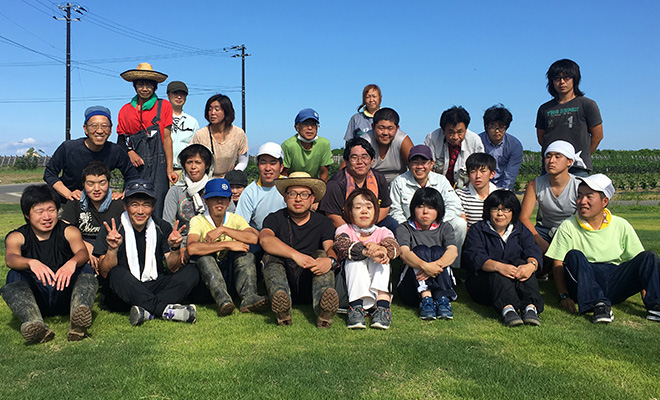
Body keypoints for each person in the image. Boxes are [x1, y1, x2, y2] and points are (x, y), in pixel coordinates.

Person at [545, 174, 660, 323]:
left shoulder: (621, 224)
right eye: (579, 196)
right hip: (585, 279)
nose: (582, 201)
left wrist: (646, 289)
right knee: (574, 256)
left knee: (649, 257)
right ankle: (599, 305)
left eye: (588, 197)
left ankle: (656, 306)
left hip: (615, 278)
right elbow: (558, 263)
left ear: (604, 201)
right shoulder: (568, 225)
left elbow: (640, 263)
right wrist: (563, 296)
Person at [95, 179, 199, 326]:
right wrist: (112, 249)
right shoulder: (112, 228)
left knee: (192, 271)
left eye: (146, 205)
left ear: (153, 207)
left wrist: (175, 248)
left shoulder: (162, 226)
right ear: (125, 206)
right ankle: (163, 309)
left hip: (153, 284)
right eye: (135, 204)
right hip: (123, 291)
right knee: (116, 272)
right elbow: (105, 273)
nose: (140, 211)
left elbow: (173, 267)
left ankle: (147, 311)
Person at [0, 184, 97, 343]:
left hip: (66, 295)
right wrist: (31, 262)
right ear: (27, 215)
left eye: (51, 210)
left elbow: (82, 253)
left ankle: (77, 321)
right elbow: (11, 258)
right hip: (37, 299)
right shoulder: (17, 236)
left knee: (84, 267)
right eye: (39, 212)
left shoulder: (68, 231)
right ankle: (34, 323)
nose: (47, 217)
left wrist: (72, 262)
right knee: (14, 274)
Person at [260, 172, 339, 328]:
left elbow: (329, 247)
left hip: (311, 279)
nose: (298, 199)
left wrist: (330, 261)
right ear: (285, 197)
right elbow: (265, 239)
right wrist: (295, 255)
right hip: (283, 278)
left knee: (321, 254)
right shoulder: (274, 218)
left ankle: (323, 310)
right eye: (293, 194)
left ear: (312, 199)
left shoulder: (324, 223)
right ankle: (283, 309)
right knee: (270, 256)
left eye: (304, 194)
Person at [186, 179, 268, 316]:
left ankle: (249, 297)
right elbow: (192, 248)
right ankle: (223, 300)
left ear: (229, 201)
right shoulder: (198, 221)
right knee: (205, 258)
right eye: (214, 198)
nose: (220, 202)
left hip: (229, 276)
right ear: (206, 201)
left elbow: (253, 238)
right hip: (206, 284)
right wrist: (227, 244)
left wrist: (224, 230)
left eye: (223, 199)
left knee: (246, 253)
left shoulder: (235, 219)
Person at [462, 190, 544, 327]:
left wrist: (531, 265)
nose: (500, 214)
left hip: (515, 281)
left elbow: (532, 249)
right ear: (488, 211)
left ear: (513, 212)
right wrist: (499, 267)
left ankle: (530, 307)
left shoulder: (521, 229)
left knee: (522, 264)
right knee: (497, 267)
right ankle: (508, 309)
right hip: (485, 285)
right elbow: (474, 256)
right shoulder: (477, 230)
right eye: (495, 209)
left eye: (506, 209)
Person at [389, 145, 466, 268]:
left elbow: (454, 205)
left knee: (460, 223)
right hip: (411, 229)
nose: (420, 167)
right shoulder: (399, 182)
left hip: (438, 226)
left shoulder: (441, 180)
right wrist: (410, 228)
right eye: (415, 162)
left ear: (431, 164)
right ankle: (410, 264)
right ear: (409, 164)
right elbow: (395, 211)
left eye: (424, 162)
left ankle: (452, 267)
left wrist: (437, 224)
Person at [333, 188, 400, 329]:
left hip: (375, 293)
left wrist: (382, 250)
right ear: (349, 211)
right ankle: (356, 309)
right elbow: (342, 246)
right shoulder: (344, 229)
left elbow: (394, 248)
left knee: (382, 258)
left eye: (369, 207)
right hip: (346, 292)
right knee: (354, 259)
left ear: (375, 211)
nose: (364, 211)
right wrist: (367, 251)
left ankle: (382, 308)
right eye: (358, 207)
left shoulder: (383, 231)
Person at [117, 62, 177, 219]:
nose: (144, 88)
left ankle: (157, 241)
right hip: (135, 168)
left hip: (159, 165)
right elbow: (121, 139)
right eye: (140, 84)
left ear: (155, 86)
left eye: (149, 85)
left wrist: (169, 169)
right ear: (135, 86)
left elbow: (167, 138)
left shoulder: (163, 106)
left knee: (157, 206)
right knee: (135, 204)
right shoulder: (125, 110)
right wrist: (130, 152)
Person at [44, 106, 138, 202]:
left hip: (99, 203)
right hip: (66, 202)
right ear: (85, 129)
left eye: (104, 126)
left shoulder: (115, 151)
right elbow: (49, 174)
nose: (100, 131)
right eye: (94, 126)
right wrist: (69, 194)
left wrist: (123, 194)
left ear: (110, 130)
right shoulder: (69, 148)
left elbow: (132, 176)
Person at [396, 187, 458, 321]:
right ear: (413, 208)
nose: (425, 212)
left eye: (431, 207)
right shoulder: (404, 228)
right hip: (412, 288)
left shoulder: (445, 227)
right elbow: (404, 253)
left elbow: (453, 252)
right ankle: (426, 298)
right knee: (420, 250)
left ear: (438, 210)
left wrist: (434, 266)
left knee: (438, 251)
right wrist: (424, 266)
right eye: (420, 206)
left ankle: (443, 299)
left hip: (440, 280)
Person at [536, 59, 603, 176]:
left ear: (575, 79)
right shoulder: (544, 108)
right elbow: (542, 138)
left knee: (579, 194)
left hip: (578, 167)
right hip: (551, 167)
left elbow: (598, 135)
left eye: (566, 77)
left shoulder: (587, 104)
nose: (561, 82)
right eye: (557, 78)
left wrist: (582, 154)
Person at [318, 138, 399, 234]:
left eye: (364, 157)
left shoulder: (379, 178)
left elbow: (385, 206)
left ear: (372, 160)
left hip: (372, 222)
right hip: (344, 225)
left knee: (393, 225)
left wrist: (370, 228)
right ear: (346, 162)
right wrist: (356, 234)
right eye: (354, 157)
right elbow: (333, 217)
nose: (360, 162)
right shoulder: (336, 184)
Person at [520, 141, 582, 261]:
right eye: (548, 156)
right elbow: (524, 217)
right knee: (522, 240)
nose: (551, 161)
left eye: (557, 156)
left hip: (572, 231)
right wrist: (538, 240)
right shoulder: (535, 184)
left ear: (570, 162)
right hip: (544, 231)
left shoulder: (579, 185)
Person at [61, 161, 125, 273]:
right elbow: (63, 229)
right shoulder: (75, 202)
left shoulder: (118, 203)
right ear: (83, 184)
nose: (96, 188)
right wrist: (85, 246)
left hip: (110, 247)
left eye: (102, 183)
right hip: (82, 246)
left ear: (108, 183)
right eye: (90, 184)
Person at [163, 143, 214, 249]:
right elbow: (167, 222)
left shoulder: (214, 188)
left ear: (207, 165)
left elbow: (230, 216)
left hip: (212, 241)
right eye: (189, 162)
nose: (193, 167)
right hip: (184, 243)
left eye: (198, 162)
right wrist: (179, 247)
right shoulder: (176, 190)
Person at [424, 106, 484, 188]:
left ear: (466, 129)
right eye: (451, 132)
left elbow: (478, 171)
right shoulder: (432, 138)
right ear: (443, 130)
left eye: (460, 132)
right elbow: (427, 167)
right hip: (436, 187)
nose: (455, 137)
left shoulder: (475, 141)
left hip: (466, 188)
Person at [190, 94, 248, 178]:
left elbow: (243, 162)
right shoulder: (201, 135)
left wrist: (232, 176)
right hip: (204, 180)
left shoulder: (238, 134)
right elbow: (191, 160)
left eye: (217, 109)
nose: (212, 113)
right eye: (210, 109)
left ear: (226, 111)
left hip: (229, 181)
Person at [235, 142, 287, 232]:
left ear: (281, 167)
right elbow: (241, 225)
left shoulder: (290, 186)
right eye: (263, 163)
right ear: (258, 166)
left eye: (273, 163)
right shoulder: (250, 192)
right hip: (259, 238)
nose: (267, 168)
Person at [361, 107, 413, 183]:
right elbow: (347, 167)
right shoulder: (365, 141)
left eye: (390, 128)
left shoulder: (402, 140)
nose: (385, 133)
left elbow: (416, 166)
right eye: (381, 128)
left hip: (399, 184)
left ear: (397, 128)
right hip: (370, 183)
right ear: (373, 127)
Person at [478, 105, 523, 190]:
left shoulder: (515, 145)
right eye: (493, 126)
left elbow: (510, 176)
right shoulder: (477, 141)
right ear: (486, 127)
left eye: (501, 126)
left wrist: (503, 193)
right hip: (480, 185)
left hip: (503, 186)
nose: (497, 130)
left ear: (506, 127)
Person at [281, 108, 333, 181]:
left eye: (313, 124)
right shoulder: (288, 145)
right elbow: (284, 173)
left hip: (313, 184)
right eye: (305, 124)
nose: (310, 128)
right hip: (292, 184)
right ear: (296, 127)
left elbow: (324, 171)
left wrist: (322, 190)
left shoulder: (324, 144)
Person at [455, 153, 500, 228]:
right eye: (473, 172)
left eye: (483, 171)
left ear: (492, 174)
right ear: (468, 175)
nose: (478, 176)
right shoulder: (459, 195)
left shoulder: (501, 195)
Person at [167, 81, 200, 177]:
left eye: (182, 94)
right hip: (163, 169)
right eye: (175, 93)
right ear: (168, 95)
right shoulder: (160, 118)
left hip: (185, 171)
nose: (179, 97)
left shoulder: (192, 122)